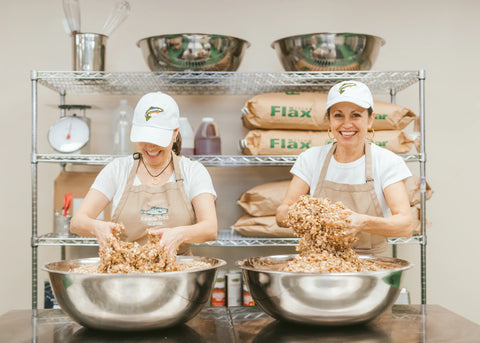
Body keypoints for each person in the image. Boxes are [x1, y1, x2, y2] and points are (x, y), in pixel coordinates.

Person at [70, 92, 218, 256]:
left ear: (175, 132)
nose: (150, 147)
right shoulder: (118, 169)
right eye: (144, 138)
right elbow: (77, 222)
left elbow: (210, 228)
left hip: (179, 273)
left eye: (157, 139)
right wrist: (97, 227)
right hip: (126, 273)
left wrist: (179, 234)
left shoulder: (193, 171)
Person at [276, 80, 413, 255]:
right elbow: (282, 213)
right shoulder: (310, 158)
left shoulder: (386, 161)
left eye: (356, 115)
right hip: (318, 263)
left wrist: (361, 222)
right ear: (329, 120)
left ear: (370, 119)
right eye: (338, 115)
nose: (346, 124)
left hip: (369, 266)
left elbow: (405, 225)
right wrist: (314, 218)